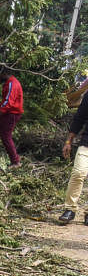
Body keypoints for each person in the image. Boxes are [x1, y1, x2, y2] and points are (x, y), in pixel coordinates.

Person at [58, 93, 88, 225]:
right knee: (78, 173)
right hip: (86, 144)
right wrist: (68, 142)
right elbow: (79, 119)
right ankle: (70, 209)